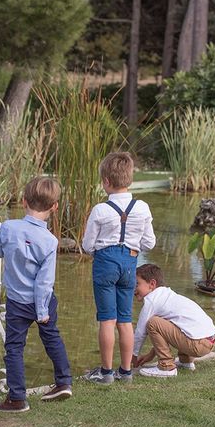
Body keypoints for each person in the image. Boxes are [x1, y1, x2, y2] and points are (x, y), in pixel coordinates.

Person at [0, 177, 72, 413]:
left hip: (17, 301)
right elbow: (45, 281)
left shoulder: (8, 227)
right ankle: (63, 381)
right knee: (52, 338)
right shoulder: (50, 241)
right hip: (42, 301)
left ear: (24, 201)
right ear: (54, 207)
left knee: (14, 347)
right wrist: (43, 311)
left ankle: (17, 398)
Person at [81, 151, 156, 385]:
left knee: (107, 320)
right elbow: (149, 243)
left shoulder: (100, 210)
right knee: (125, 319)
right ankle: (125, 372)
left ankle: (105, 372)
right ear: (129, 179)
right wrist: (132, 248)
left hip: (105, 262)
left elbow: (87, 245)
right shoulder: (142, 207)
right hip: (129, 264)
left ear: (105, 181)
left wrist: (101, 252)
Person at [132, 264, 215, 377]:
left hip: (197, 344)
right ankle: (185, 361)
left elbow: (140, 333)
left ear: (152, 284)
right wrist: (151, 355)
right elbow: (168, 332)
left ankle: (166, 367)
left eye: (137, 284)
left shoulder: (151, 300)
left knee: (152, 323)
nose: (134, 289)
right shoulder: (168, 296)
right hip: (211, 340)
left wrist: (133, 356)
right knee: (177, 323)